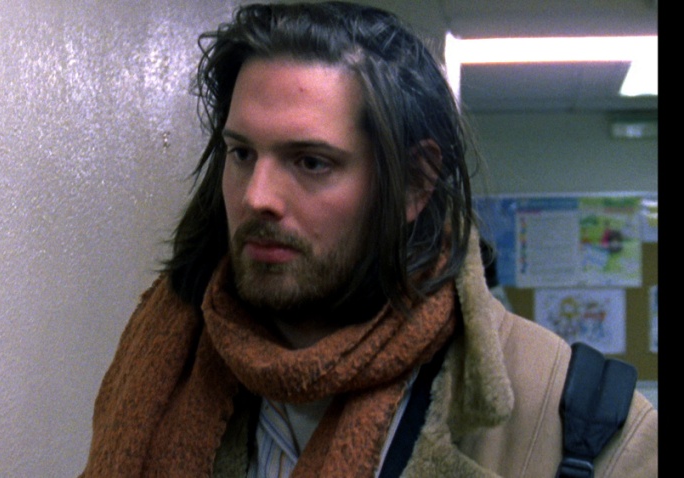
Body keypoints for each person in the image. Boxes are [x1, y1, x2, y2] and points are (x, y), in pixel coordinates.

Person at [80, 2, 657, 477]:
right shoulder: (164, 370)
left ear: (414, 184)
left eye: (310, 162)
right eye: (242, 153)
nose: (257, 197)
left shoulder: (590, 426)